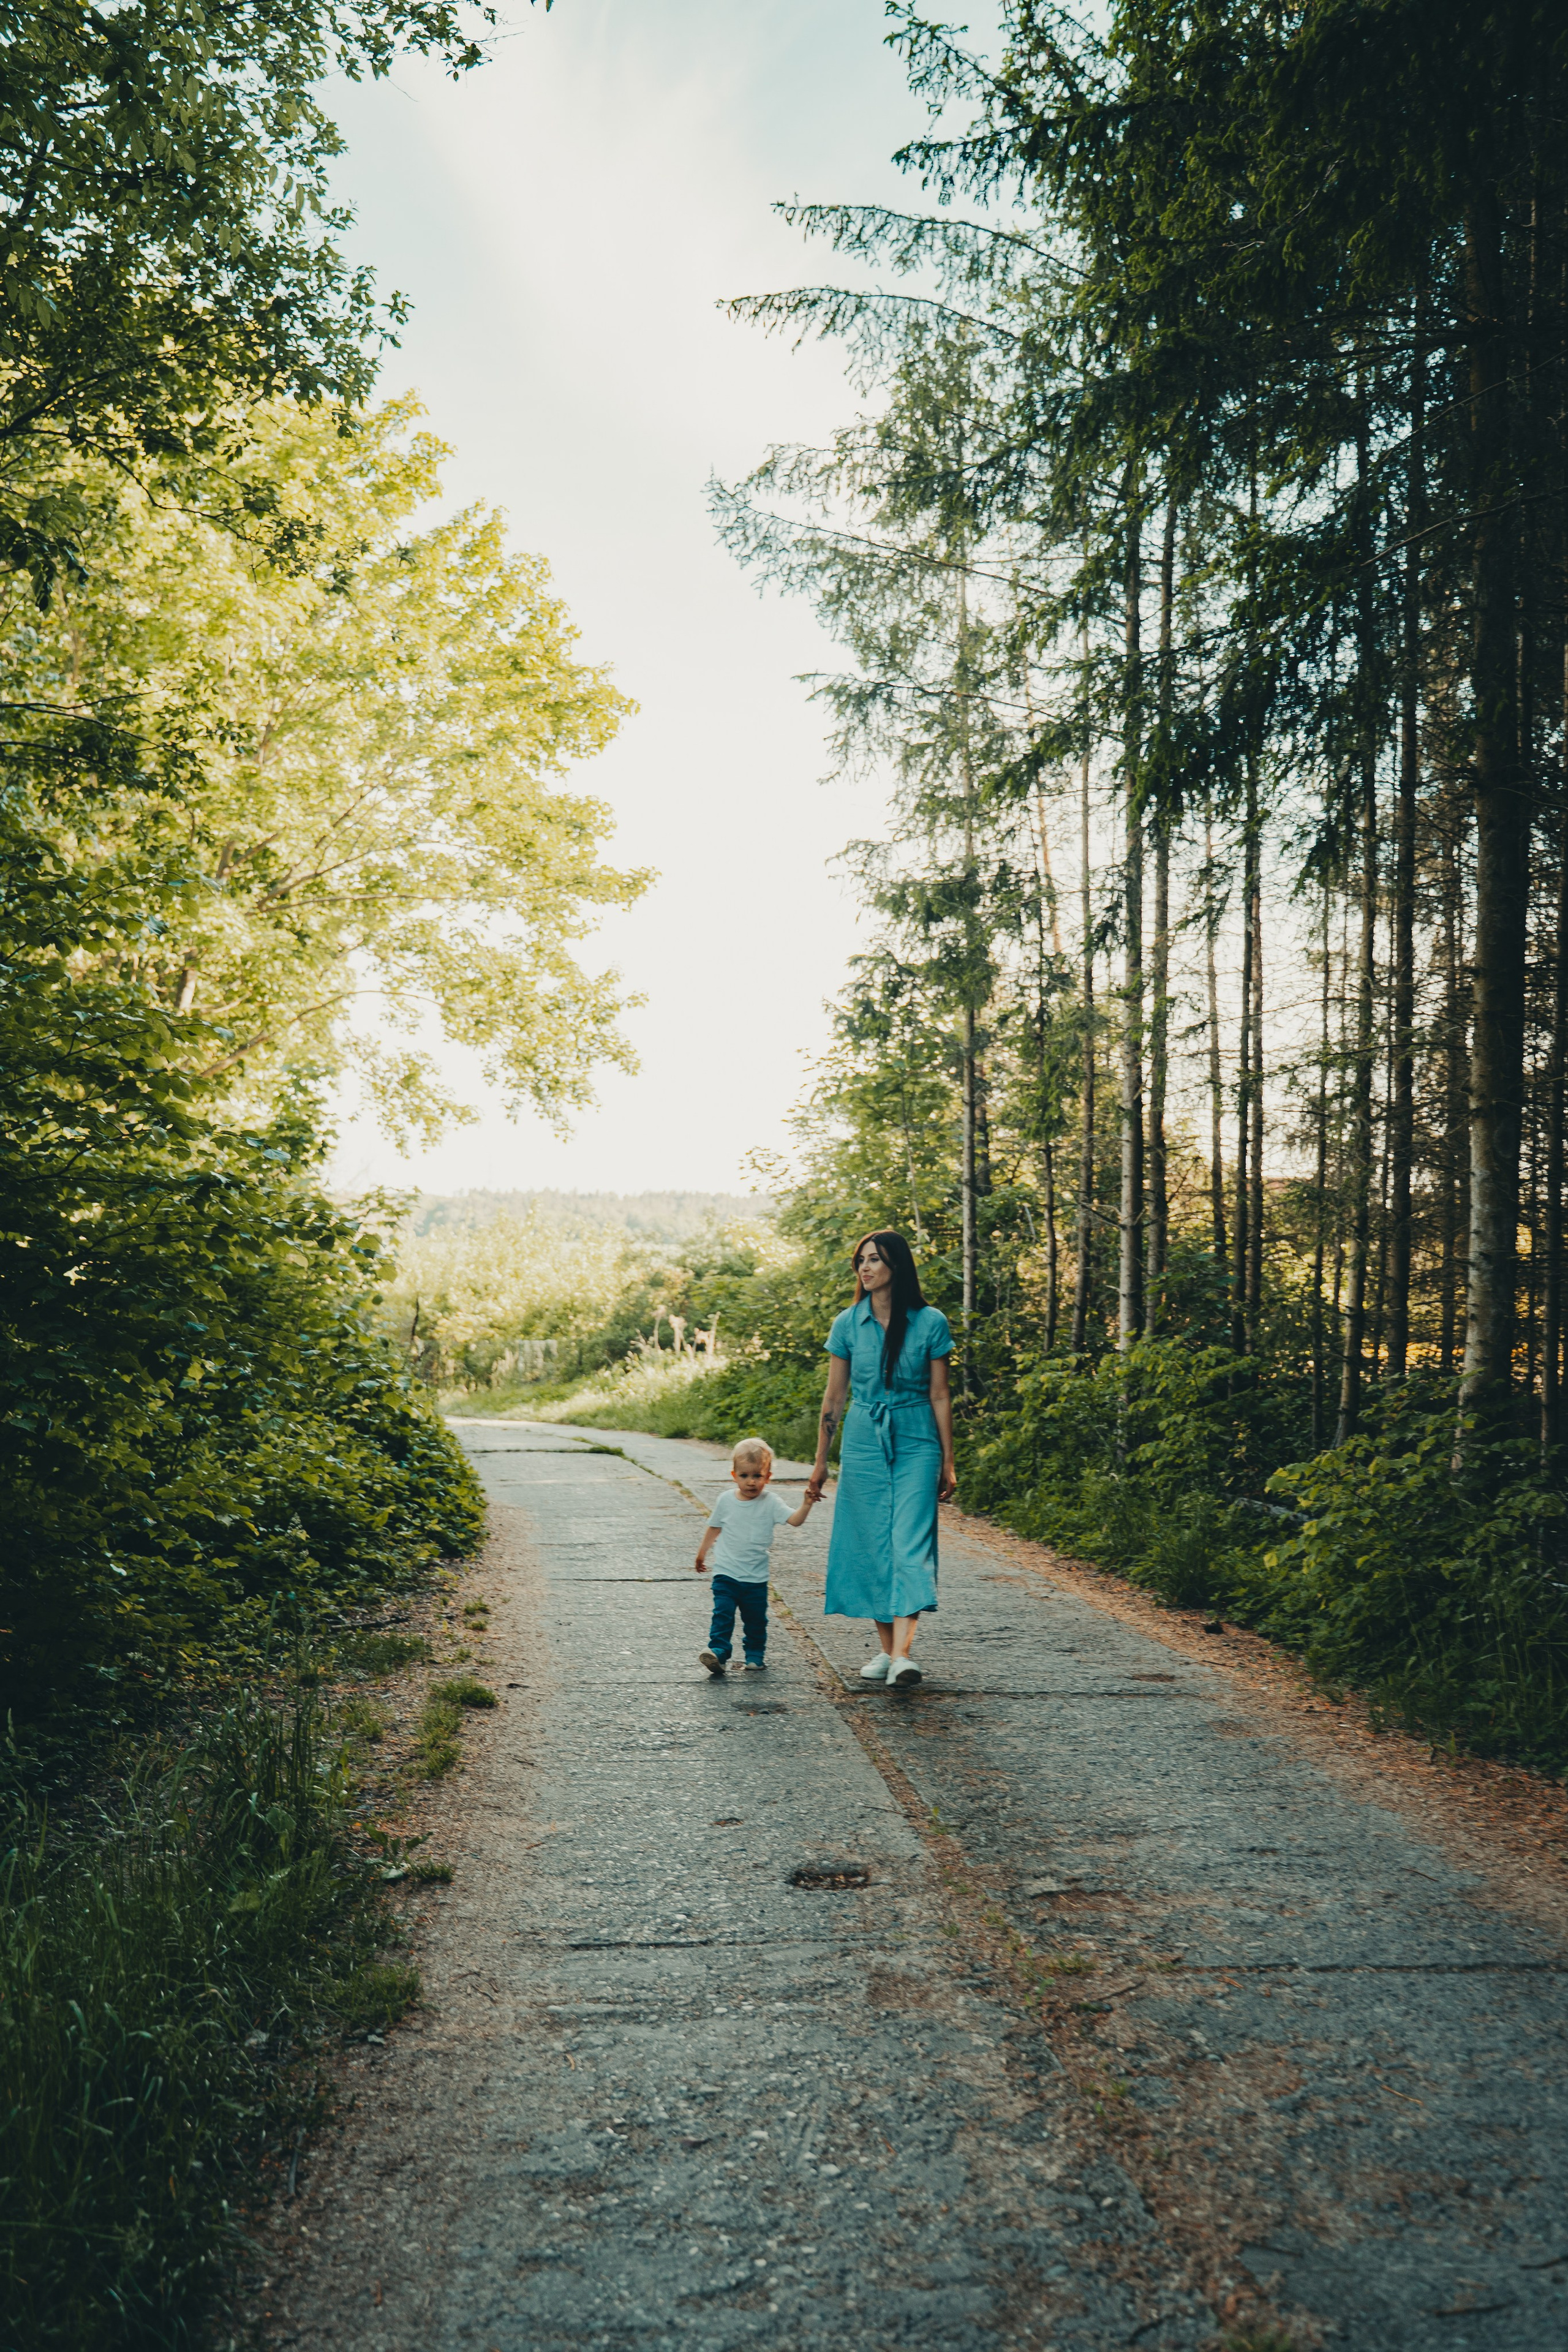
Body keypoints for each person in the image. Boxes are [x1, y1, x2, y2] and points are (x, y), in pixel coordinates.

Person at [804, 1230, 956, 1687]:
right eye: (861, 1261)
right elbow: (833, 1399)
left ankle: (904, 1654)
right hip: (865, 1438)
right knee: (870, 1544)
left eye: (875, 1260)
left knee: (910, 1543)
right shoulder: (848, 1323)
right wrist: (820, 1462)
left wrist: (948, 1461)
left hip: (917, 1439)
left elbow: (940, 1394)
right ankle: (890, 1653)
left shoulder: (930, 1322)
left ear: (898, 1266)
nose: (865, 1268)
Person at [694, 1437, 816, 1674]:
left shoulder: (771, 1502)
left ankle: (755, 1655)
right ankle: (718, 1652)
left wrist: (807, 1504)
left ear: (768, 1476)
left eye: (757, 1476)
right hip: (726, 1574)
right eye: (744, 1476)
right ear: (734, 1475)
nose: (751, 1482)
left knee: (756, 1621)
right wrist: (702, 1555)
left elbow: (795, 1521)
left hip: (755, 1579)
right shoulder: (726, 1500)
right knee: (722, 1615)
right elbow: (714, 1528)